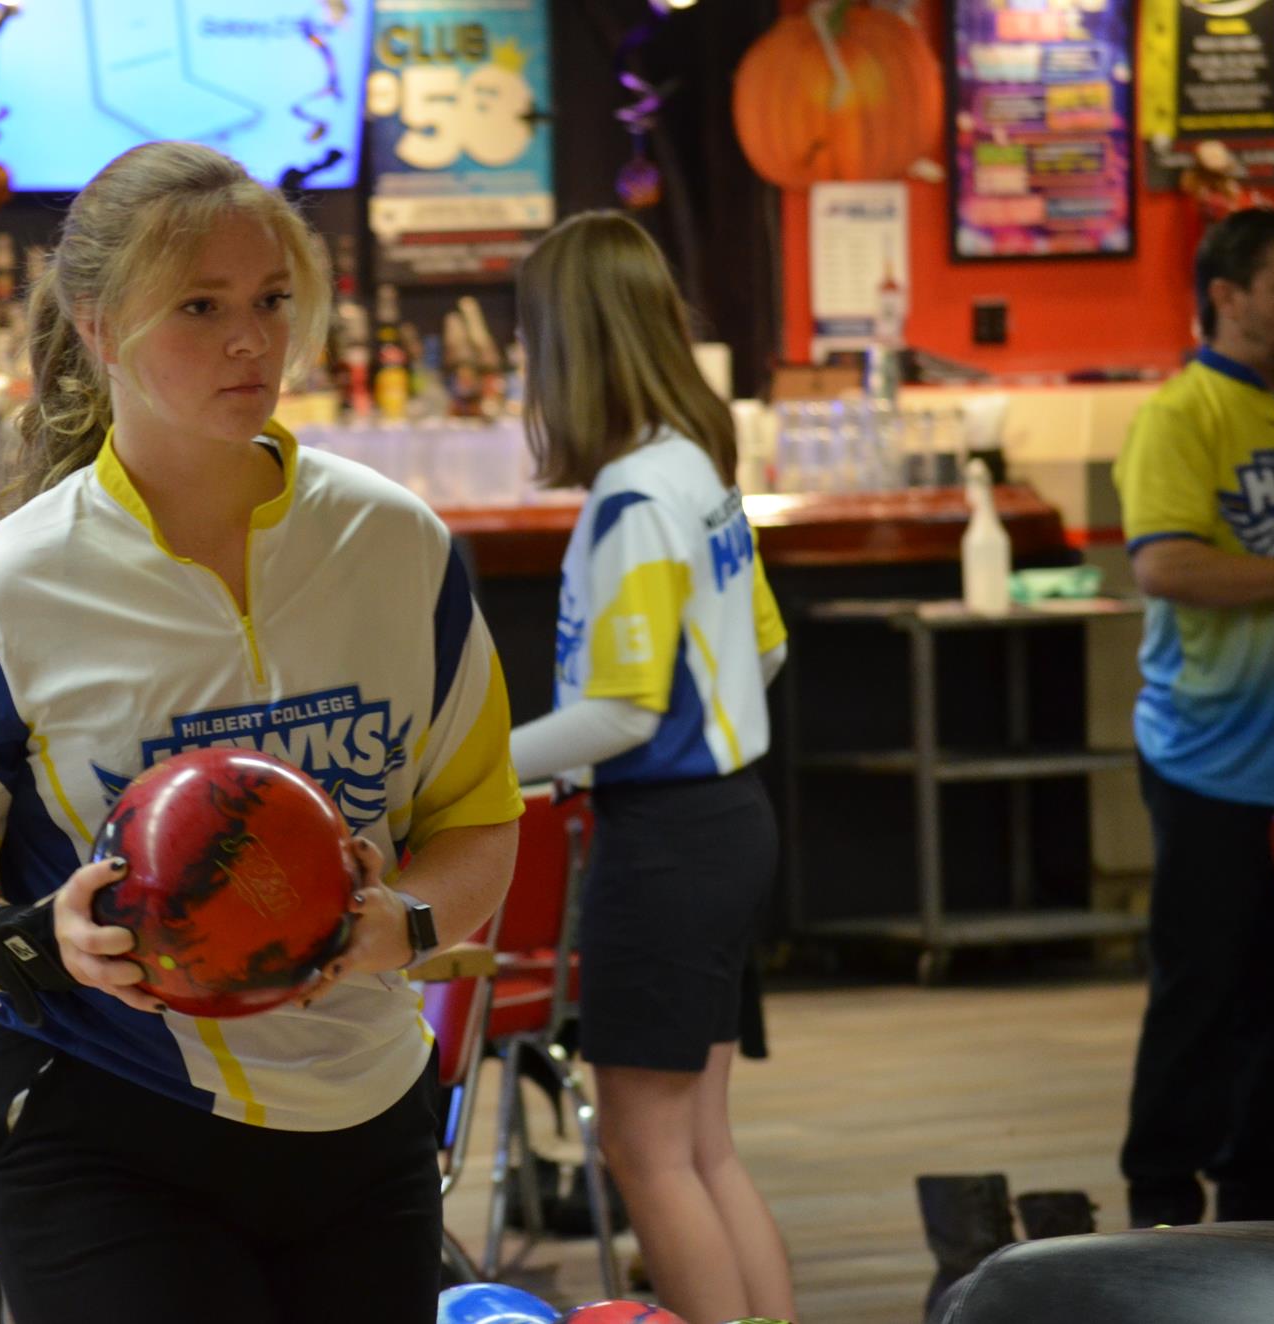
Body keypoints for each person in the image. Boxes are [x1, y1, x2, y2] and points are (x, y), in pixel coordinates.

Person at [0, 141, 522, 1324]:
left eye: (271, 300)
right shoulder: (0, 594)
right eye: (201, 307)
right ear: (98, 324)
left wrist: (405, 922)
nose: (250, 341)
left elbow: (479, 821)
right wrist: (33, 939)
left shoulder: (399, 546)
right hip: (105, 1118)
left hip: (366, 1109)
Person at [505, 211, 795, 1324]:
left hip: (670, 842)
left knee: (644, 1149)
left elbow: (619, 714)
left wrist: (468, 771)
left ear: (568, 344)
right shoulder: (695, 468)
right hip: (730, 820)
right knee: (702, 1143)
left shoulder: (631, 499)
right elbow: (764, 647)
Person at [1114, 206, 1274, 1230]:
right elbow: (1163, 563)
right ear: (1225, 295)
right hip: (1206, 757)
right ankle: (1160, 1196)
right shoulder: (1180, 416)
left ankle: (1258, 1194)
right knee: (1202, 989)